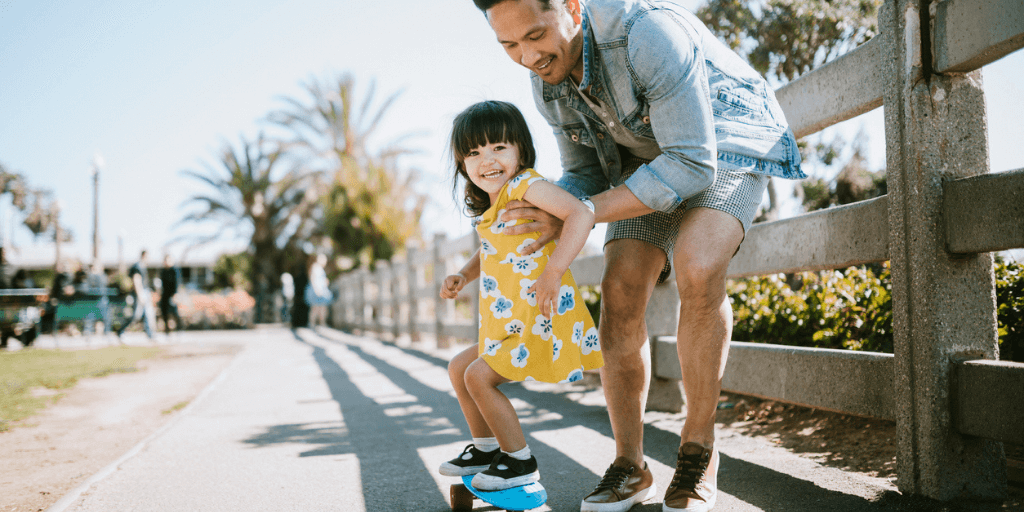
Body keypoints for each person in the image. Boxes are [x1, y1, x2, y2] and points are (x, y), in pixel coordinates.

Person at [471, 1, 805, 511]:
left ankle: (698, 448)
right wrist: (558, 207)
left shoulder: (647, 33)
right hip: (644, 159)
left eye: (536, 35)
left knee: (697, 264)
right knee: (620, 288)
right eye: (510, 45)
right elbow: (583, 170)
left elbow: (693, 162)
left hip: (725, 141)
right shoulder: (547, 79)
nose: (527, 56)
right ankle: (631, 464)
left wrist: (579, 210)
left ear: (572, 8)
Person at [437, 100, 603, 491]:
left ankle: (519, 461)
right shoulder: (495, 203)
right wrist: (463, 273)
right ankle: (485, 448)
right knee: (460, 368)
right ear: (462, 164)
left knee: (479, 377)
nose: (487, 160)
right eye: (474, 152)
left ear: (520, 150)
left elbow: (580, 214)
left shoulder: (525, 185)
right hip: (511, 319)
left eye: (498, 147)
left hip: (539, 314)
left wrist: (554, 271)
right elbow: (492, 248)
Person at [117, 249, 155, 339]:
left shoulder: (142, 266)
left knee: (147, 314)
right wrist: (140, 295)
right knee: (136, 315)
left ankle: (150, 335)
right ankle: (120, 331)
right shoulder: (137, 267)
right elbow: (136, 281)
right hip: (140, 293)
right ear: (144, 256)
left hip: (145, 292)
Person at [305, 253, 332, 327]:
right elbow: (313, 279)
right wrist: (317, 289)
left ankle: (319, 323)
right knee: (316, 307)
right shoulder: (316, 267)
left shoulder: (318, 267)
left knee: (320, 307)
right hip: (317, 290)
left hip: (320, 289)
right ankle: (314, 323)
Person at [158, 254, 182, 335]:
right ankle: (167, 330)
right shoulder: (163, 271)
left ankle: (179, 329)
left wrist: (175, 294)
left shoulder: (174, 270)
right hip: (165, 294)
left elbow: (177, 282)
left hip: (173, 294)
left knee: (174, 312)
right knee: (164, 311)